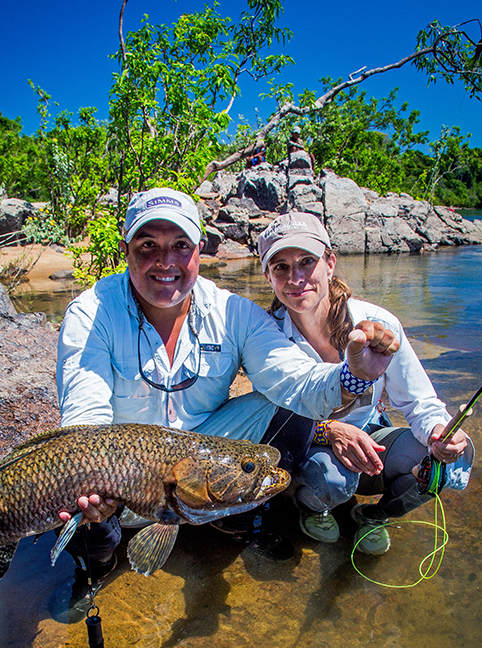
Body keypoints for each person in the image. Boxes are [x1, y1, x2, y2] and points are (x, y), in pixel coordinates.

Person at [55, 188, 399, 609]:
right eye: (148, 246)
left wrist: (355, 375)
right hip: (121, 474)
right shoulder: (91, 312)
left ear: (200, 250)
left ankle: (235, 521)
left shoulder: (233, 312)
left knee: (283, 404)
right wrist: (94, 483)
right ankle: (99, 563)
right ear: (126, 250)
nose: (165, 261)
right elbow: (84, 419)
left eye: (180, 246)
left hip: (201, 452)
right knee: (76, 495)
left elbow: (299, 381)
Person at [257, 211, 474, 555]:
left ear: (330, 263)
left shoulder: (380, 323)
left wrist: (439, 432)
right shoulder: (263, 335)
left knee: (441, 463)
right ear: (268, 277)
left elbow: (419, 403)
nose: (296, 277)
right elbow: (268, 420)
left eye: (306, 261)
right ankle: (314, 505)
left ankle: (374, 514)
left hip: (371, 433)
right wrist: (330, 432)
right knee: (330, 479)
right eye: (280, 267)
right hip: (307, 446)